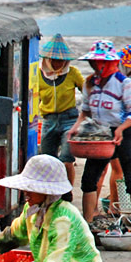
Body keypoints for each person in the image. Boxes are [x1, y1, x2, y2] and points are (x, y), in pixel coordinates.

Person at [65, 40, 131, 238]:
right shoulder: (89, 83)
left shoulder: (124, 84)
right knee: (89, 180)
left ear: (112, 63)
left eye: (101, 62)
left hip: (124, 134)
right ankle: (86, 225)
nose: (98, 66)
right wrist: (77, 127)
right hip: (100, 135)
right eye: (95, 62)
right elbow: (85, 109)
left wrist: (120, 129)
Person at [35, 33, 85, 185]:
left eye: (62, 61)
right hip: (48, 120)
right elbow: (31, 95)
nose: (58, 64)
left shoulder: (73, 73)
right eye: (55, 61)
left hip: (69, 120)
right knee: (47, 159)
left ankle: (67, 192)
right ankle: (50, 191)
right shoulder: (38, 73)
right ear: (48, 60)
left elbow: (88, 93)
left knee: (66, 159)